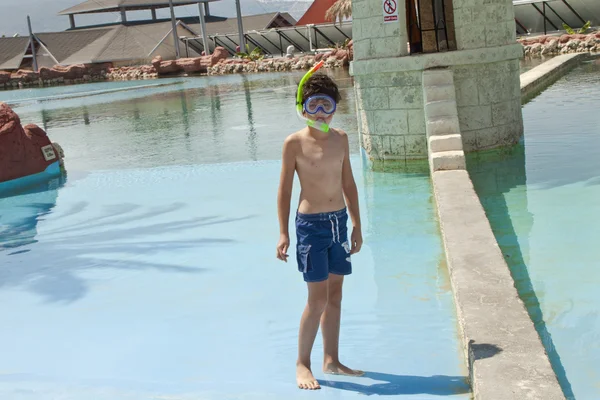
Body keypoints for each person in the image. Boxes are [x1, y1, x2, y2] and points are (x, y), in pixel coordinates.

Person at [276, 72, 364, 390]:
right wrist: (284, 233)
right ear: (302, 108)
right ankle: (302, 364)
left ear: (335, 107)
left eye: (326, 105)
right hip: (311, 227)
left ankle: (332, 359)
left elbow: (349, 183)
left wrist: (356, 223)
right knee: (317, 301)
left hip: (338, 223)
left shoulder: (341, 138)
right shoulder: (294, 143)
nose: (320, 114)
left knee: (336, 295)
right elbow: (284, 190)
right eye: (313, 106)